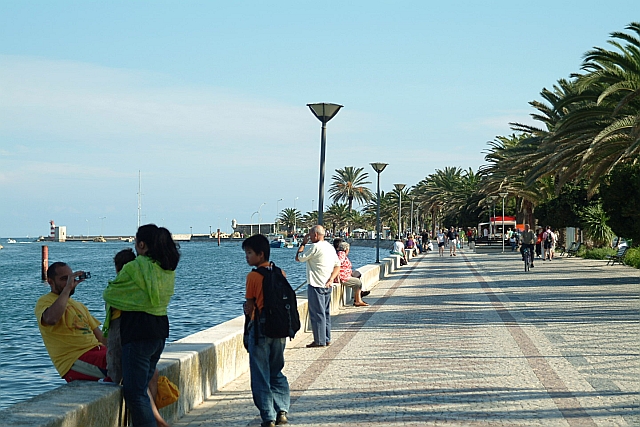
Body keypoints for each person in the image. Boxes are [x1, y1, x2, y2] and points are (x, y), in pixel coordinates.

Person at [103, 224, 180, 427]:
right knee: (143, 387)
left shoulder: (135, 267)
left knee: (135, 394)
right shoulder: (166, 269)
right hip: (159, 331)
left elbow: (112, 294)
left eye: (136, 242)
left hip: (137, 333)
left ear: (143, 244)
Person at [242, 234, 290, 427]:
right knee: (276, 370)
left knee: (260, 373)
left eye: (249, 253)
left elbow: (250, 305)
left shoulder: (253, 276)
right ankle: (283, 410)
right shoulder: (281, 273)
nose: (247, 257)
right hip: (279, 329)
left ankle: (268, 417)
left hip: (260, 329)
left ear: (260, 254)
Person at [35, 262, 108, 383]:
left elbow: (100, 337)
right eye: (64, 279)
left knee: (139, 357)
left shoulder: (79, 306)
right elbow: (51, 319)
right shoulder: (44, 302)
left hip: (97, 353)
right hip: (74, 359)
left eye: (71, 278)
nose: (70, 282)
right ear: (50, 282)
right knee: (125, 362)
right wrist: (67, 289)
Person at [295, 225, 340, 348]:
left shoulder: (314, 247)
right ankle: (326, 338)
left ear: (315, 235)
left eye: (309, 234)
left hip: (316, 284)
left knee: (317, 313)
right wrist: (331, 279)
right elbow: (337, 266)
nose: (308, 237)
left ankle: (319, 341)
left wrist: (303, 244)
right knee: (325, 312)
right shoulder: (330, 247)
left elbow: (298, 258)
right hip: (327, 284)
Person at [334, 241, 369, 307]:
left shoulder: (340, 253)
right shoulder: (342, 254)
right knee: (358, 282)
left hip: (345, 274)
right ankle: (358, 301)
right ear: (346, 249)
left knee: (357, 275)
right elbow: (338, 264)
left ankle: (357, 298)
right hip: (343, 277)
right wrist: (337, 275)